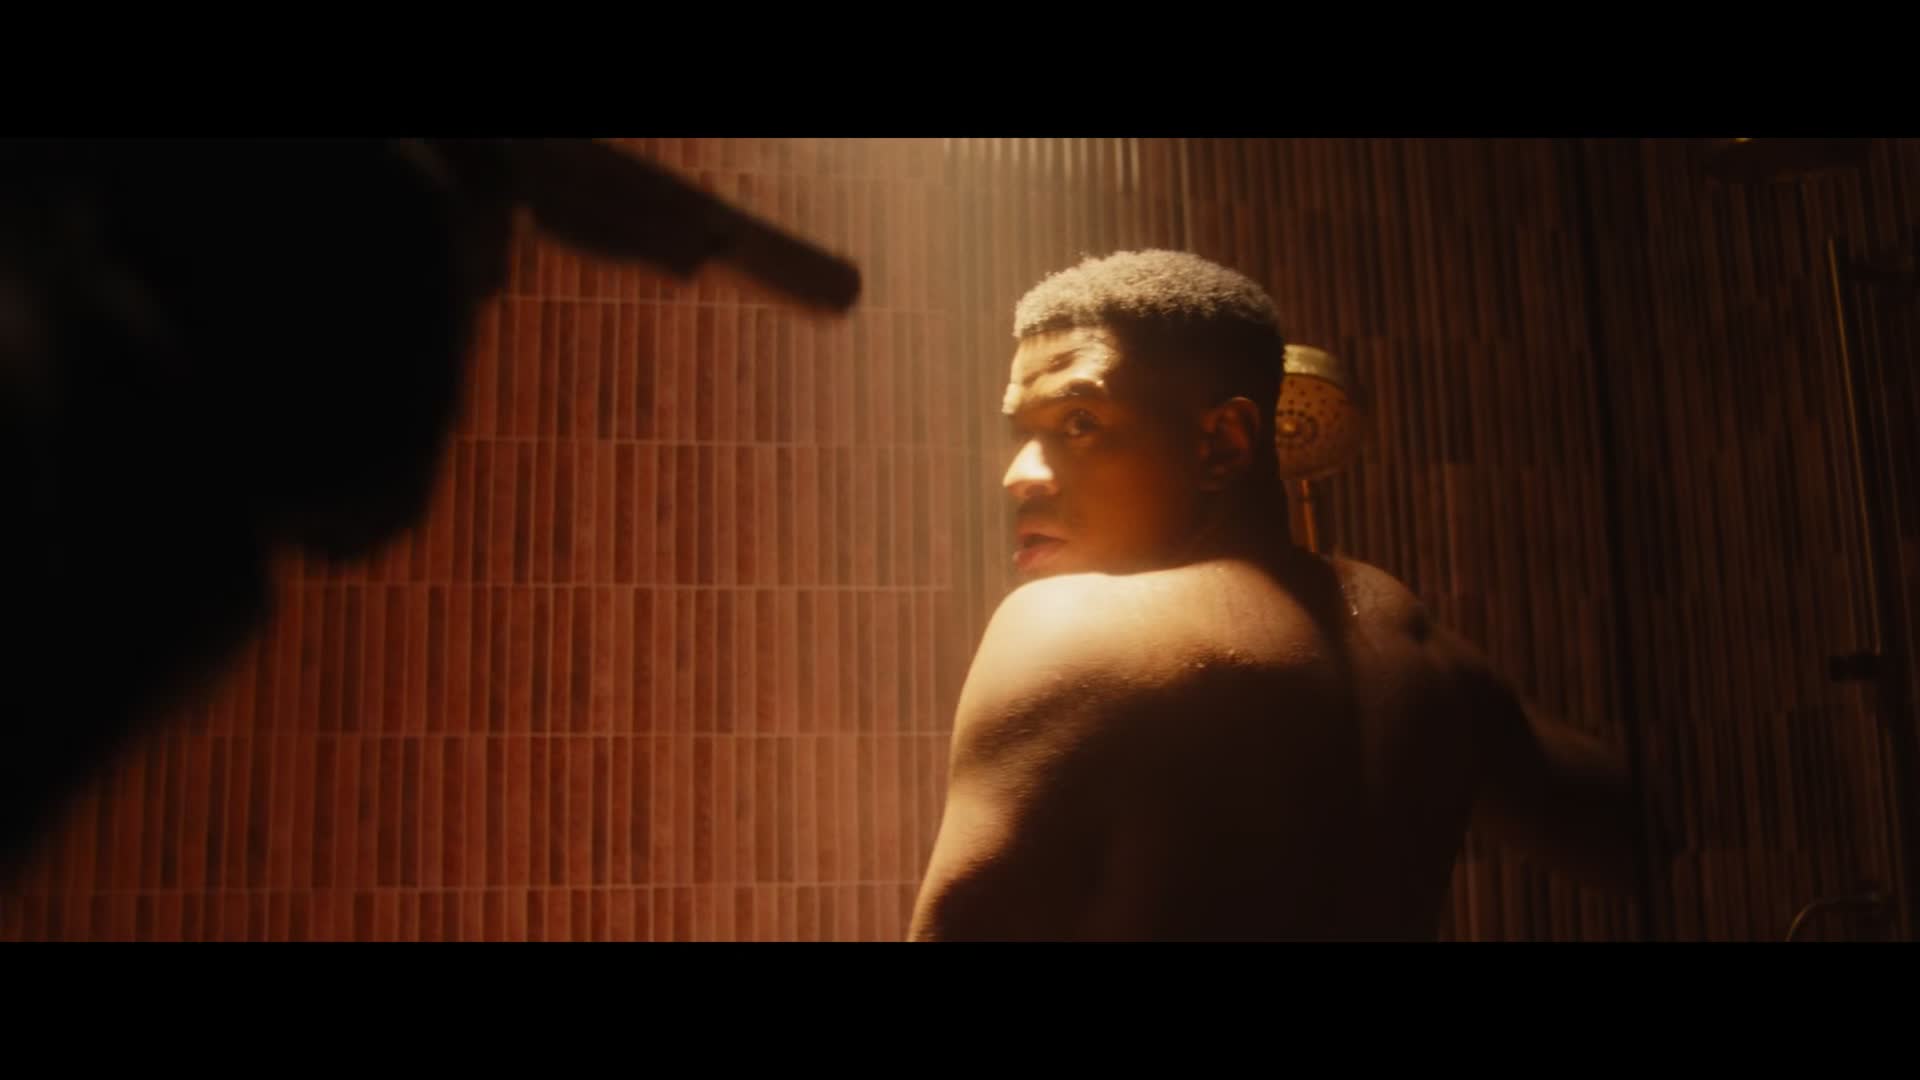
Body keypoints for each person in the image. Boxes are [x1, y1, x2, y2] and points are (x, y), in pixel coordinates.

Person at [909, 250, 1641, 941]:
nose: (1020, 474)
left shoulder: (1067, 626)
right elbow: (1635, 833)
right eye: (1023, 432)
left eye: (1079, 423)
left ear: (1224, 442)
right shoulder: (1412, 646)